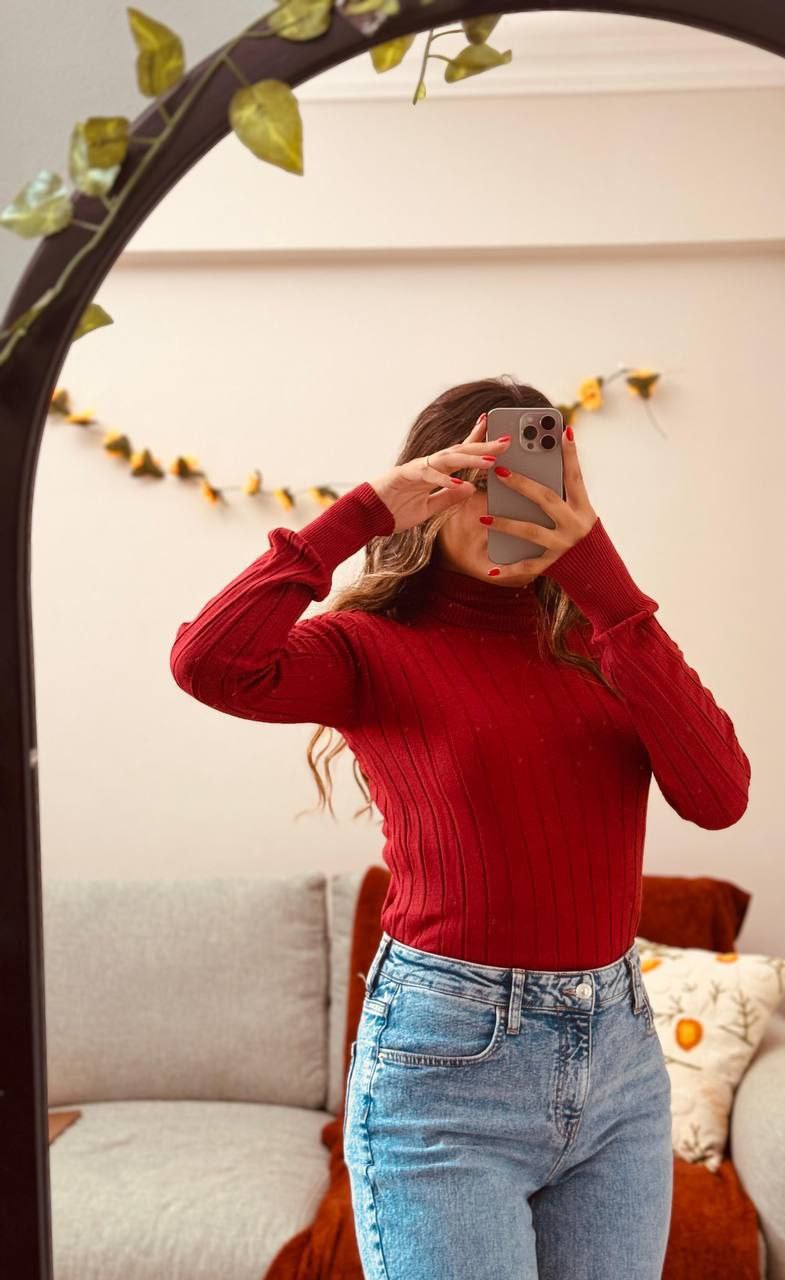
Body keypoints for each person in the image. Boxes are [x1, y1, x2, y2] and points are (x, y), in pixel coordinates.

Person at [170, 375, 751, 1280]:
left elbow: (719, 796)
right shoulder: (369, 649)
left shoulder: (609, 641)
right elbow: (208, 663)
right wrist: (363, 512)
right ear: (430, 491)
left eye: (526, 478)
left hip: (620, 1067)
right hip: (445, 1066)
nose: (500, 506)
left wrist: (601, 578)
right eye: (475, 479)